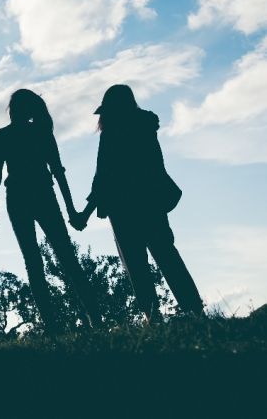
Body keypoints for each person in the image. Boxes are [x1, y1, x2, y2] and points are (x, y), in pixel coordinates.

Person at [73, 84, 203, 321]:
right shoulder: (145, 127)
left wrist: (85, 213)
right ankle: (195, 310)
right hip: (151, 202)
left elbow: (102, 176)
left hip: (122, 207)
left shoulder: (111, 132)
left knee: (136, 264)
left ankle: (152, 317)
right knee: (167, 256)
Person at [0, 89, 102, 334]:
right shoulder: (41, 133)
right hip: (42, 195)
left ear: (12, 109)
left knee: (34, 261)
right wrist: (71, 210)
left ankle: (53, 324)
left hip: (19, 198)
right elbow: (58, 172)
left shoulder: (1, 136)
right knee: (66, 256)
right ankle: (94, 318)